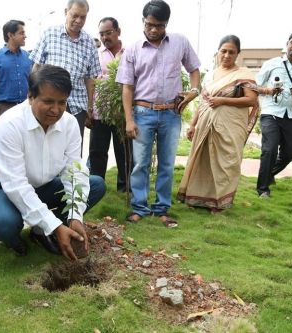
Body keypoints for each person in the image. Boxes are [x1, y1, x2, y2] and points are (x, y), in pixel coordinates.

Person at [0, 65, 106, 259]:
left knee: (96, 184)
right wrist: (56, 226)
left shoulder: (70, 123)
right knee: (5, 224)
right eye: (48, 101)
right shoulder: (10, 124)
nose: (56, 110)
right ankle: (18, 238)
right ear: (31, 96)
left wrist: (75, 216)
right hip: (4, 187)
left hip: (44, 186)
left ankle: (41, 231)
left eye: (62, 102)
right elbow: (16, 184)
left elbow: (74, 172)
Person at [116, 0, 201, 227]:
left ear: (167, 24)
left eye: (159, 25)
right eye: (150, 24)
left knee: (166, 164)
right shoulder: (133, 49)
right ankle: (140, 207)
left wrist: (194, 91)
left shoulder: (180, 42)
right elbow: (127, 87)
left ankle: (162, 209)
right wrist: (129, 119)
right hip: (142, 112)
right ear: (143, 21)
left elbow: (194, 68)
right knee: (140, 164)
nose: (154, 30)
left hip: (171, 114)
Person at [177, 35, 259, 213]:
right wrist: (193, 124)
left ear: (238, 54)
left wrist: (223, 100)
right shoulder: (211, 74)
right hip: (206, 122)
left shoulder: (243, 73)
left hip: (230, 126)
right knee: (204, 159)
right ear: (218, 52)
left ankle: (220, 202)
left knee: (226, 161)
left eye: (232, 52)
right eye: (224, 51)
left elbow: (251, 100)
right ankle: (199, 198)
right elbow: (204, 101)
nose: (227, 55)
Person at [30, 0, 101, 139]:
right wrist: (32, 95)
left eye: (83, 17)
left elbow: (90, 79)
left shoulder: (89, 43)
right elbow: (36, 67)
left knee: (72, 147)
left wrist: (89, 107)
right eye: (75, 15)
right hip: (48, 101)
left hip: (77, 105)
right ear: (65, 12)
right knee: (44, 141)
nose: (78, 20)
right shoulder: (50, 34)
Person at [256, 30, 292, 198]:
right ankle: (263, 189)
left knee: (289, 154)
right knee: (270, 149)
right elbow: (255, 86)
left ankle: (267, 174)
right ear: (287, 43)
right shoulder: (271, 63)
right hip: (270, 112)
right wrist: (268, 90)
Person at [89, 17, 131, 192]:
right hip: (101, 112)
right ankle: (97, 187)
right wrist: (89, 109)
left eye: (109, 32)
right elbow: (90, 81)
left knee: (125, 152)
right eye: (102, 34)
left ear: (118, 31)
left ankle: (125, 187)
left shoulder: (129, 53)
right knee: (97, 152)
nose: (105, 37)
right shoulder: (96, 55)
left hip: (122, 112)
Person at [0, 20, 32, 119]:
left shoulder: (29, 57)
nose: (25, 36)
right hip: (5, 108)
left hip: (27, 107)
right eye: (21, 33)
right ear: (10, 35)